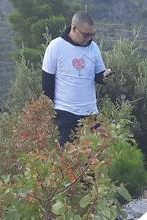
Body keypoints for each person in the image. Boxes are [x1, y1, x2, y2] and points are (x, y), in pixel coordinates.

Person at [41, 11, 112, 147]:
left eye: (91, 35)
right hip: (65, 114)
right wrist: (49, 115)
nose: (89, 38)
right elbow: (47, 83)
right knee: (68, 161)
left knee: (96, 159)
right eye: (86, 34)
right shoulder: (56, 46)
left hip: (90, 113)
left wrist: (105, 76)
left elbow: (98, 75)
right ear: (74, 28)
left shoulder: (94, 48)